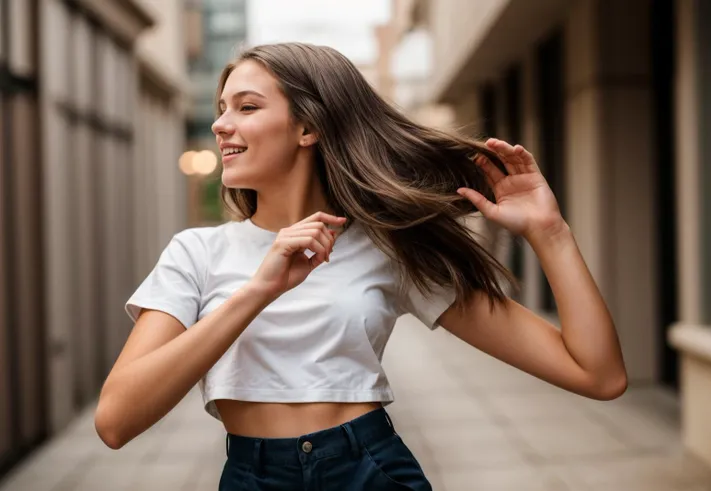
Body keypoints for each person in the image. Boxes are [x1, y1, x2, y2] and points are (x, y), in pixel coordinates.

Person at [94, 43, 627, 490]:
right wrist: (259, 291)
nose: (219, 123)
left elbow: (597, 374)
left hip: (368, 472)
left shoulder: (389, 248)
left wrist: (550, 235)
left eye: (246, 107)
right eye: (221, 107)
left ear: (308, 127)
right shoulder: (195, 253)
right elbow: (116, 421)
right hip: (251, 478)